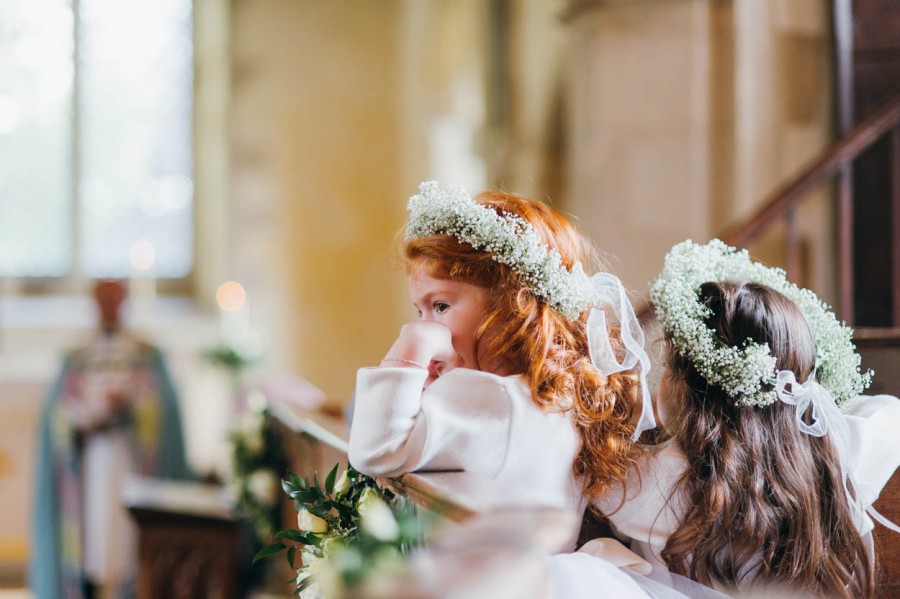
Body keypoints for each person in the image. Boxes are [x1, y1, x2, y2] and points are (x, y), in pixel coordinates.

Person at [592, 239, 900, 598]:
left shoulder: (650, 481)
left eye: (669, 365)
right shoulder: (835, 455)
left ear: (684, 386)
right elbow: (888, 412)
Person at [348, 181, 656, 530]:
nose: (427, 327)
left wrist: (413, 343)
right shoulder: (548, 398)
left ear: (511, 308)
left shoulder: (493, 397)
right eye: (420, 312)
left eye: (440, 306)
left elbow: (375, 451)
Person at [31, 280, 193, 599]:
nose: (108, 306)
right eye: (102, 300)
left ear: (123, 301)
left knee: (127, 538)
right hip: (90, 464)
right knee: (94, 539)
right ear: (94, 303)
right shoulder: (77, 357)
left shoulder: (145, 354)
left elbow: (163, 408)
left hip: (131, 462)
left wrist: (130, 408)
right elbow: (57, 415)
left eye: (113, 299)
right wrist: (82, 419)